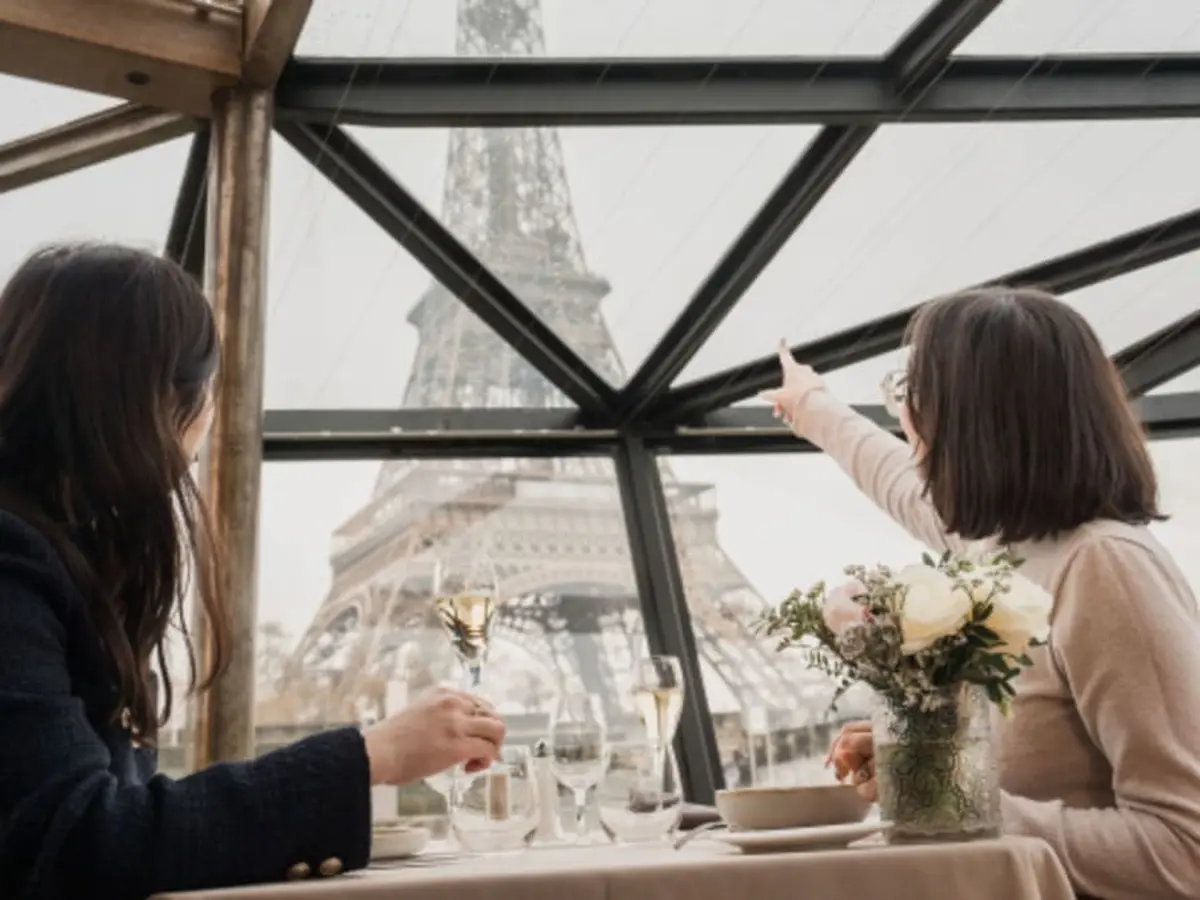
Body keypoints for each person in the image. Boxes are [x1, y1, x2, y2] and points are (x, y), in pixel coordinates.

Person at [0, 243, 506, 900]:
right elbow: (79, 843)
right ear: (159, 402)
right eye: (203, 389)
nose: (207, 418)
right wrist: (371, 755)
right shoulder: (15, 559)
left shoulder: (58, 555)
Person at [763, 287, 1200, 900]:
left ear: (973, 417)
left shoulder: (1103, 567)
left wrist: (950, 796)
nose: (902, 413)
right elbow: (892, 476)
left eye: (911, 391)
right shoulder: (1000, 547)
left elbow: (1186, 852)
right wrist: (811, 405)